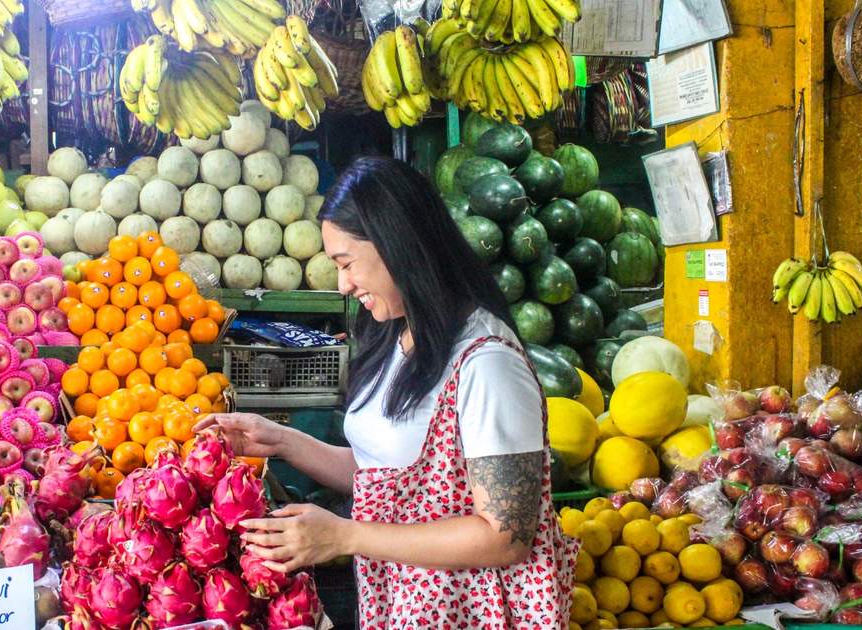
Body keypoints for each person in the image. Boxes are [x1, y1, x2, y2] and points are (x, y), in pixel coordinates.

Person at [196, 156, 578, 628]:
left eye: (346, 263)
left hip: (469, 613)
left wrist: (345, 536)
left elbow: (507, 536)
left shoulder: (487, 364)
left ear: (398, 245)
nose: (343, 284)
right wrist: (278, 440)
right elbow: (386, 475)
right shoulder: (397, 335)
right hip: (408, 602)